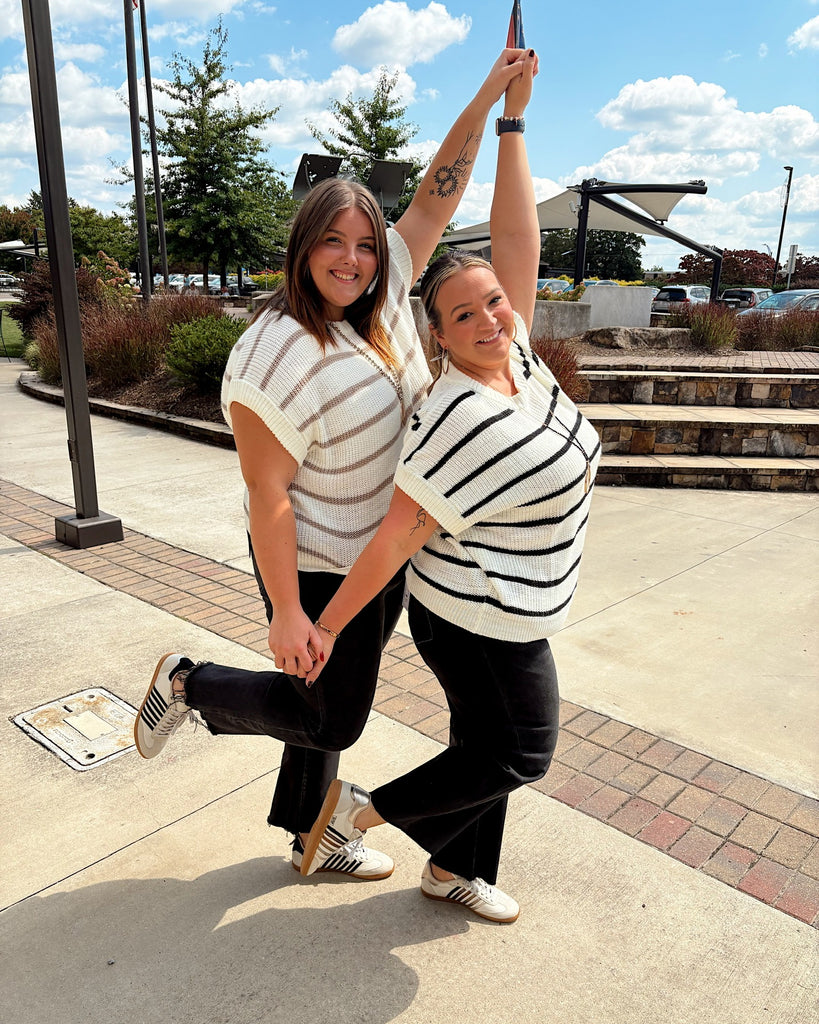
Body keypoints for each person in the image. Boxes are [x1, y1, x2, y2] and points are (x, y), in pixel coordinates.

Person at [133, 49, 536, 883]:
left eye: (363, 244)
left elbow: (438, 193)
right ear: (303, 246)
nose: (351, 259)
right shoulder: (269, 354)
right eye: (332, 243)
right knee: (331, 720)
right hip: (315, 562)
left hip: (382, 550)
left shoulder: (383, 295)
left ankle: (306, 833)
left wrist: (491, 99)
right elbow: (266, 496)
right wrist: (287, 611)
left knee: (317, 703)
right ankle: (190, 682)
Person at [297, 49, 601, 923]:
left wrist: (513, 122)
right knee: (520, 751)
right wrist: (325, 626)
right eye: (462, 314)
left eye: (495, 302)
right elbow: (397, 534)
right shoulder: (460, 414)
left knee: (481, 743)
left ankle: (449, 870)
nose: (488, 318)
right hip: (478, 620)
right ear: (438, 336)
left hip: (511, 599)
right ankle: (359, 810)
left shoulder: (520, 360)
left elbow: (517, 240)